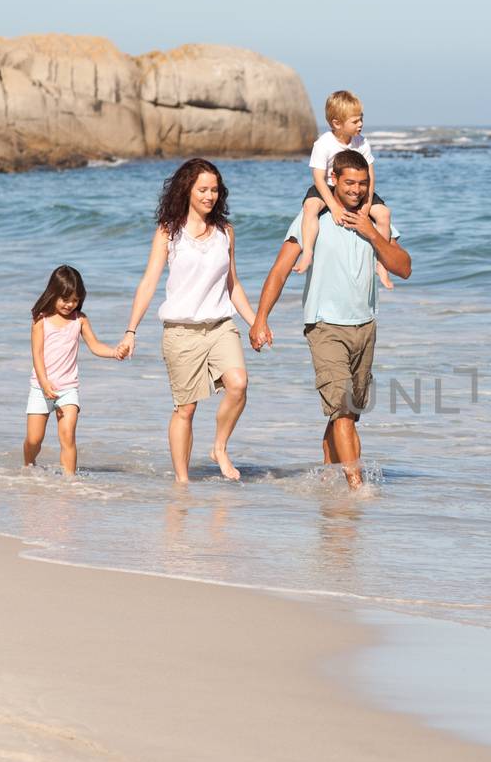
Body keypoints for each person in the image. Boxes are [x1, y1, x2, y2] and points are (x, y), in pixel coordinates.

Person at [251, 150, 412, 489]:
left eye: (363, 183)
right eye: (349, 182)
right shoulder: (315, 217)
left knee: (348, 413)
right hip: (324, 325)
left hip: (365, 324)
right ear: (334, 180)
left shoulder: (373, 218)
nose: (356, 190)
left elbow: (404, 267)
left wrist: (370, 231)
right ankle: (356, 486)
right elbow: (280, 270)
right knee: (341, 409)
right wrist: (260, 318)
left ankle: (328, 480)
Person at [119, 158, 258, 483]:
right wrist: (131, 330)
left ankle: (219, 448)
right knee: (187, 409)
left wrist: (256, 321)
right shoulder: (169, 233)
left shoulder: (225, 232)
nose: (210, 196)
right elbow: (149, 282)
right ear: (187, 190)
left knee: (238, 384)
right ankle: (182, 482)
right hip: (181, 331)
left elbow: (233, 284)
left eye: (214, 190)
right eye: (203, 190)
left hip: (221, 326)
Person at [23, 264, 125, 475]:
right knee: (34, 439)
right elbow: (37, 355)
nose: (70, 305)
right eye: (65, 299)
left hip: (68, 389)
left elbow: (95, 346)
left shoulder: (80, 320)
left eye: (75, 300)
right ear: (53, 294)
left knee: (67, 435)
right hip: (41, 388)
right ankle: (28, 465)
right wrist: (44, 383)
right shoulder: (40, 320)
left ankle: (70, 481)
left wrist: (114, 352)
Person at [292, 89, 395, 290]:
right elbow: (318, 178)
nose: (361, 125)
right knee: (310, 208)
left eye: (361, 119)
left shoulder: (361, 142)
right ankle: (307, 253)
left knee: (384, 214)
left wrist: (366, 205)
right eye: (355, 121)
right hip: (329, 186)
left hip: (358, 186)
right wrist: (334, 207)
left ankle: (381, 263)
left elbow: (370, 175)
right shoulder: (324, 144)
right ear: (337, 123)